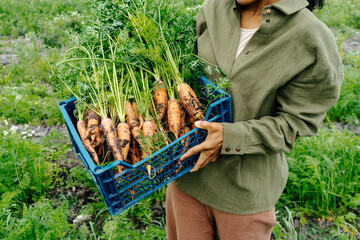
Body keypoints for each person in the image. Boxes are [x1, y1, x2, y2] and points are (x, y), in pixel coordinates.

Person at [165, 0, 343, 239]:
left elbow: (296, 123)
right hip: (185, 177)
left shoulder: (310, 36)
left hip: (243, 196)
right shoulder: (215, 7)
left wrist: (230, 137)